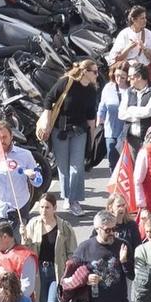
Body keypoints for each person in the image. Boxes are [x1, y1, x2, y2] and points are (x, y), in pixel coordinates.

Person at [41, 60, 102, 211]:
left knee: (77, 167)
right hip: (60, 130)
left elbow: (91, 116)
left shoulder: (92, 90)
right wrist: (47, 123)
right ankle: (67, 196)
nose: (97, 74)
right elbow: (49, 100)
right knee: (63, 167)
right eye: (94, 71)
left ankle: (74, 200)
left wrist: (92, 139)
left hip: (79, 131)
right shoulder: (66, 82)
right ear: (84, 72)